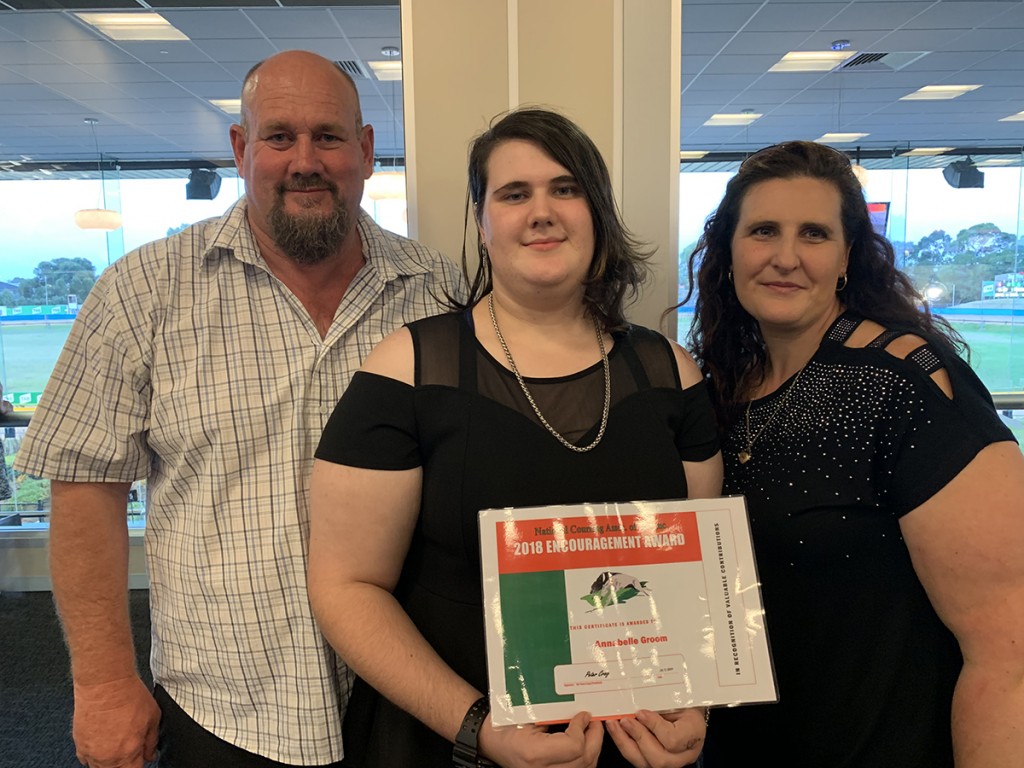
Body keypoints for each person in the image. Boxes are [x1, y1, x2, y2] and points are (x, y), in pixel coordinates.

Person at [14, 50, 463, 768]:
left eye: (330, 136)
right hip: (226, 707)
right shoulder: (145, 292)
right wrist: (101, 682)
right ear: (240, 148)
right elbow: (83, 486)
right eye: (279, 136)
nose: (304, 160)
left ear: (368, 150)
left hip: (410, 696)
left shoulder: (436, 288)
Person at [307, 107, 723, 768]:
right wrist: (477, 727)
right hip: (455, 745)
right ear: (482, 221)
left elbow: (701, 582)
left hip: (634, 750)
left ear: (598, 212)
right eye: (514, 193)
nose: (542, 211)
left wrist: (697, 707)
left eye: (566, 188)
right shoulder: (407, 371)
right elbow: (345, 586)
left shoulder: (671, 374)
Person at [681, 140, 1024, 767]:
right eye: (763, 231)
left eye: (813, 234)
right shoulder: (724, 386)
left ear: (846, 257)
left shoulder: (906, 382)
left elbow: (1009, 652)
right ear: (728, 252)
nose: (785, 257)